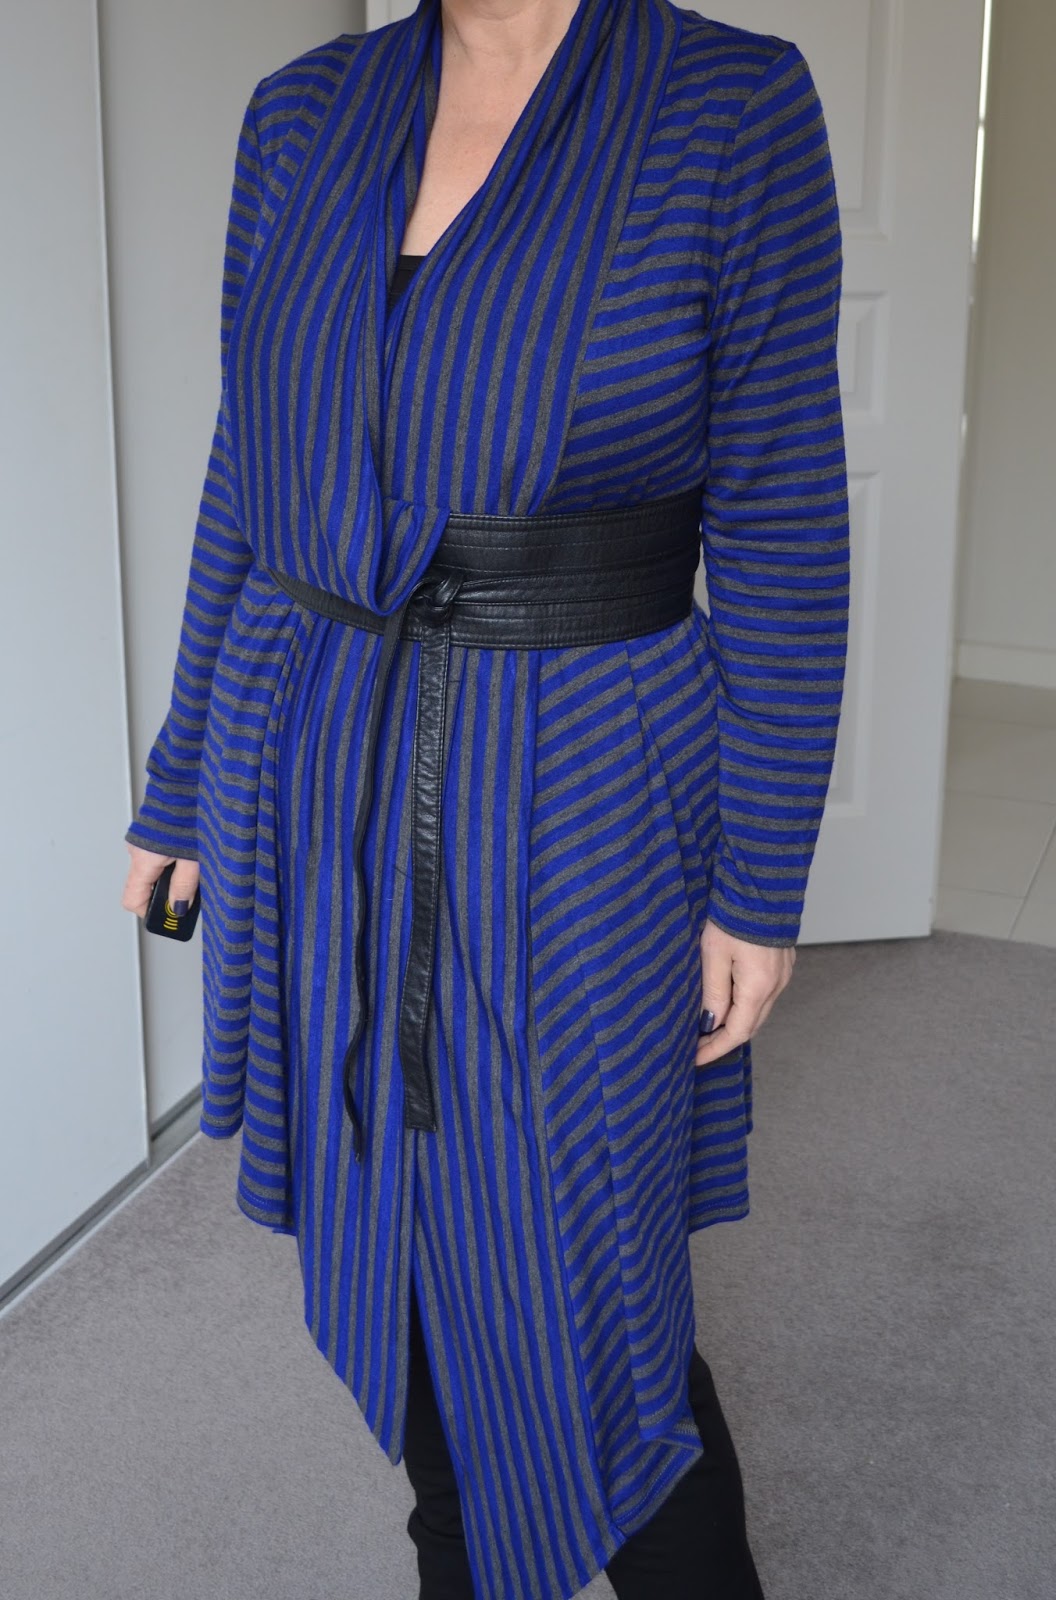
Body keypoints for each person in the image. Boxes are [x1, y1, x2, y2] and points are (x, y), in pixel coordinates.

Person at [121, 0, 849, 1594]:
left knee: (586, 1274)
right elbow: (248, 473)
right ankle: (456, 1544)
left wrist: (760, 878)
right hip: (314, 759)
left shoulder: (732, 105)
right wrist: (181, 781)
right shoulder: (300, 113)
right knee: (395, 1243)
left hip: (584, 780)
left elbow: (784, 513)